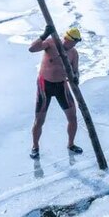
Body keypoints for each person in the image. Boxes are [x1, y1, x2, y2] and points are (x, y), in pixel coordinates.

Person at [28, 25, 84, 159]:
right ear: (67, 39)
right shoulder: (50, 43)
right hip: (45, 86)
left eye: (76, 43)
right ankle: (35, 147)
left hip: (61, 86)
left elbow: (75, 70)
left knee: (73, 118)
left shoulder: (73, 53)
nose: (74, 45)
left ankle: (71, 144)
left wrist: (76, 77)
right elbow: (32, 49)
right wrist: (44, 35)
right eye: (73, 42)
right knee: (39, 120)